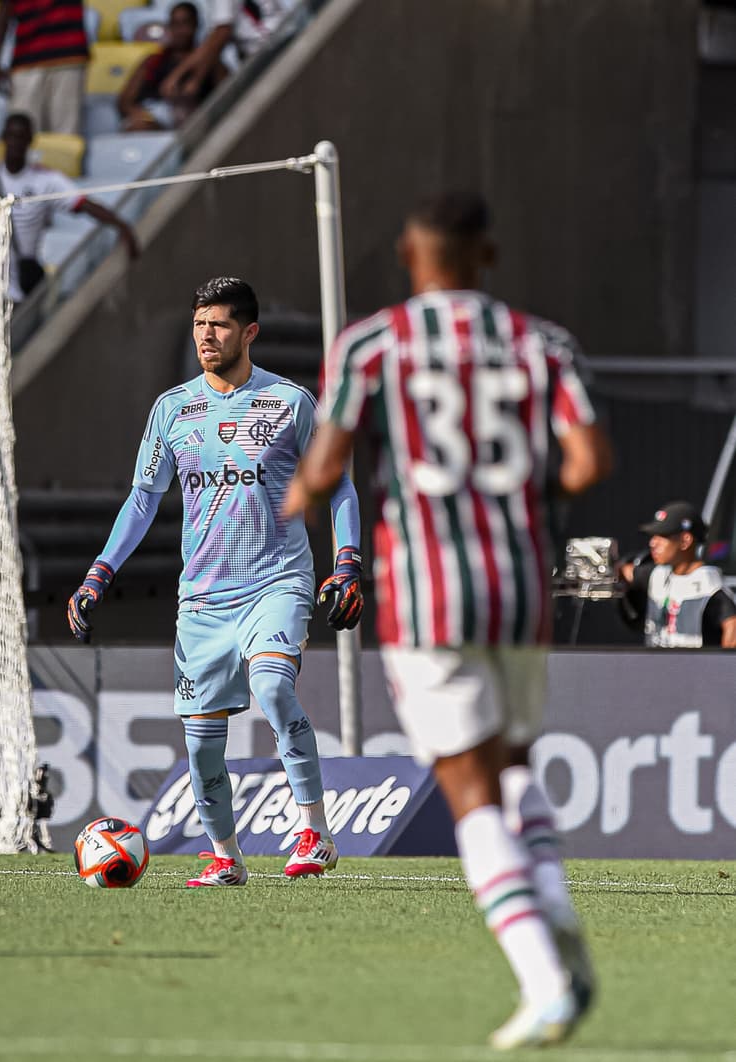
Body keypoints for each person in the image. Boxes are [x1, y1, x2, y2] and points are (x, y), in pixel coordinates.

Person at [284, 192, 612, 1049]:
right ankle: (561, 922)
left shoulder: (371, 342)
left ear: (408, 253)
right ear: (487, 256)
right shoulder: (544, 342)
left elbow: (326, 462)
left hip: (429, 588)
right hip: (520, 583)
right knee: (509, 768)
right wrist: (519, 494)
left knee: (468, 793)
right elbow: (589, 462)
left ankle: (543, 977)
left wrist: (302, 494)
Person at [67, 276, 364, 887]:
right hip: (203, 600)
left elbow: (338, 487)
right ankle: (226, 855)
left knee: (274, 687)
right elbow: (143, 499)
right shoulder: (173, 409)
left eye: (220, 324)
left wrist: (348, 563)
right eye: (200, 323)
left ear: (249, 332)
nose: (206, 335)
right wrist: (99, 573)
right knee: (203, 745)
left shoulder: (291, 403)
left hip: (277, 581)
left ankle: (315, 831)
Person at [0, 112, 138, 303]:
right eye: (12, 136)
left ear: (31, 140)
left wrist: (121, 226)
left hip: (18, 288)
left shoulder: (46, 180)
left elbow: (83, 204)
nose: (16, 142)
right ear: (2, 138)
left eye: (21, 137)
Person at [617, 501, 736, 648]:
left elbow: (732, 630)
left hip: (693, 669)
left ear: (685, 541)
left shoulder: (709, 586)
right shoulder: (656, 575)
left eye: (662, 536)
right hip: (654, 668)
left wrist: (721, 668)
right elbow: (623, 572)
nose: (653, 543)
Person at [117, 2, 224, 132]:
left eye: (185, 23)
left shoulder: (210, 63)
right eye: (175, 24)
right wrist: (141, 116)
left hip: (195, 125)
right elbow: (125, 101)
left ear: (196, 25)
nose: (180, 31)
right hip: (154, 123)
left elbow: (227, 96)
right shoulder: (153, 61)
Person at [157, 0, 284, 106]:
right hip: (271, 48)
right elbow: (215, 40)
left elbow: (222, 33)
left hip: (268, 53)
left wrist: (183, 76)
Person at [0, 0, 89, 136]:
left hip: (68, 55)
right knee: (22, 133)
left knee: (65, 136)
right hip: (28, 58)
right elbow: (4, 8)